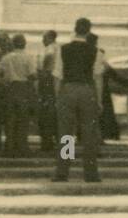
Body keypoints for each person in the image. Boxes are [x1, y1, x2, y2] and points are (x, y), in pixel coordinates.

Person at [52, 18, 100, 183]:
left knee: (66, 133)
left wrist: (58, 96)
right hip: (87, 90)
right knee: (89, 134)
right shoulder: (96, 51)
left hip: (68, 89)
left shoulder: (63, 49)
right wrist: (98, 99)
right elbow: (98, 78)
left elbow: (57, 75)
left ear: (75, 29)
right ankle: (91, 173)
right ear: (88, 31)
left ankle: (62, 172)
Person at [0, 33, 35, 157]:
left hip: (10, 88)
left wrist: (3, 82)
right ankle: (22, 147)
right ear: (24, 44)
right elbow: (32, 75)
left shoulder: (6, 58)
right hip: (23, 88)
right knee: (23, 119)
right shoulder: (28, 57)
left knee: (10, 119)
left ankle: (9, 147)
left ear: (13, 44)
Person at [36, 29, 59, 154]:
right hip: (58, 83)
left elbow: (49, 56)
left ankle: (47, 143)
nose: (42, 40)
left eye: (44, 38)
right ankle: (66, 152)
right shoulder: (60, 48)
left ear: (50, 38)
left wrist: (44, 70)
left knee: (46, 112)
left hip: (48, 81)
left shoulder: (50, 48)